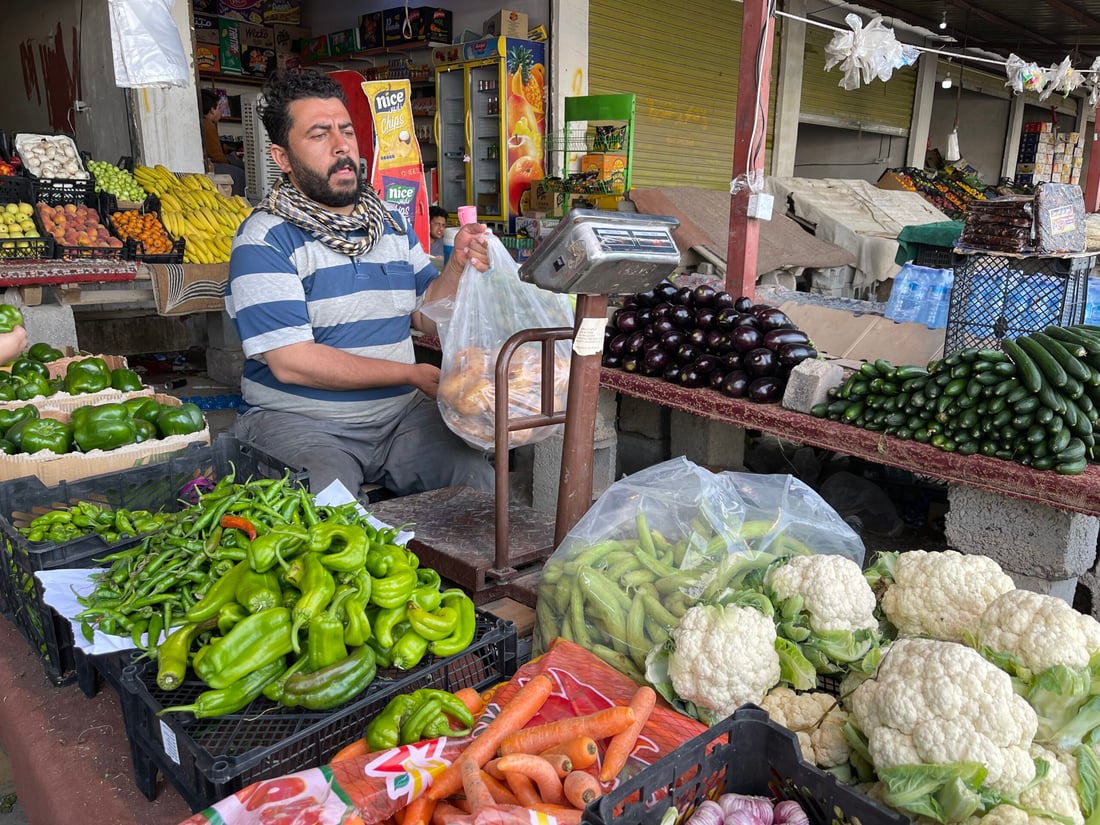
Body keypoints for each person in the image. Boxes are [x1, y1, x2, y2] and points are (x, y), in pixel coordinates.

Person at [225, 69, 496, 498]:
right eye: (319, 135)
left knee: (477, 486)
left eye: (345, 130)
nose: (341, 146)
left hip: (400, 419)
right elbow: (292, 361)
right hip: (301, 423)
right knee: (329, 513)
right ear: (282, 158)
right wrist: (408, 374)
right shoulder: (264, 238)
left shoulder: (388, 223)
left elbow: (426, 315)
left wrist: (456, 268)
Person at [200, 88, 246, 198]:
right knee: (240, 173)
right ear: (212, 110)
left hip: (209, 162)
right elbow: (217, 157)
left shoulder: (206, 123)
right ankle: (239, 202)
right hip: (209, 165)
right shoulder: (208, 125)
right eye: (219, 108)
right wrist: (230, 160)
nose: (221, 112)